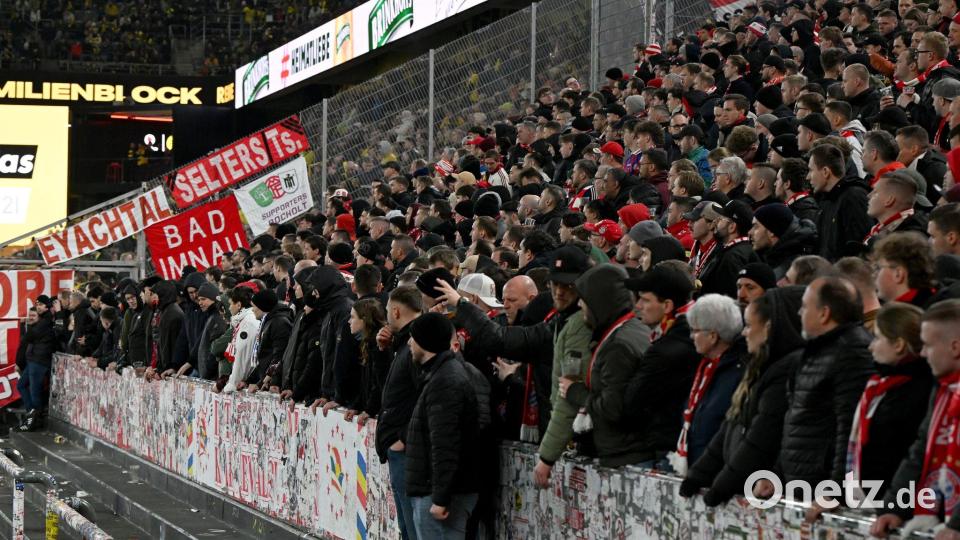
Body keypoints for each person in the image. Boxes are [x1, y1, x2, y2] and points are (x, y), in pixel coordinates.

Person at [681, 286, 805, 505]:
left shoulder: (783, 371)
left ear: (768, 327)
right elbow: (730, 426)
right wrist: (698, 475)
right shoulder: (757, 367)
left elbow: (760, 438)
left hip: (759, 491)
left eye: (749, 326)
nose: (745, 332)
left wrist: (721, 487)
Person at [872, 300, 960, 538]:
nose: (921, 353)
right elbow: (920, 451)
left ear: (955, 347)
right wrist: (894, 507)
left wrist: (957, 524)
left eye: (928, 345)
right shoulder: (941, 390)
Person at [777, 277, 874, 490]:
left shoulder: (853, 353)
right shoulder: (814, 350)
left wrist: (835, 489)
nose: (799, 313)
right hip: (800, 483)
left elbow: (849, 426)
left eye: (804, 307)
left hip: (822, 487)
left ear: (824, 313)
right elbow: (794, 419)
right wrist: (776, 475)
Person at [558, 263, 652, 467]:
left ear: (599, 300)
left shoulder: (618, 346)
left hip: (626, 457)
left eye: (585, 298)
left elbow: (612, 408)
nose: (580, 304)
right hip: (629, 451)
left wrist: (574, 391)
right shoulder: (634, 329)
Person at [405, 312, 482, 540]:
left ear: (425, 342)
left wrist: (440, 497)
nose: (409, 343)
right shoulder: (440, 375)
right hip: (437, 489)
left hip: (441, 494)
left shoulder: (445, 381)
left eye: (412, 338)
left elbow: (445, 443)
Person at [845, 303, 932, 499]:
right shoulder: (879, 386)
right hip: (869, 498)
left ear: (898, 344)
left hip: (894, 502)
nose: (870, 346)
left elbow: (908, 455)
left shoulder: (919, 391)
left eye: (877, 338)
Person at [667, 294, 745, 475]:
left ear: (712, 336)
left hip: (716, 474)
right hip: (696, 467)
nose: (691, 336)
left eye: (695, 330)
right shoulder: (705, 366)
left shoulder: (736, 372)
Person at [375, 286, 424, 540]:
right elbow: (390, 388)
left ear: (395, 310)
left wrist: (402, 438)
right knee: (407, 527)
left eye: (387, 311)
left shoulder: (417, 342)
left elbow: (424, 395)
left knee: (412, 529)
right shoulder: (403, 343)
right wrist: (383, 352)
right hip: (402, 446)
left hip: (408, 449)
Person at [15, 305, 56, 432]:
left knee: (34, 393)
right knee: (21, 385)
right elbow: (23, 345)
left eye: (33, 316)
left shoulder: (41, 328)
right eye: (29, 316)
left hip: (38, 362)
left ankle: (35, 420)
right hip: (32, 361)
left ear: (39, 318)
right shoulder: (33, 328)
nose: (30, 318)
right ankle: (31, 414)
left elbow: (27, 340)